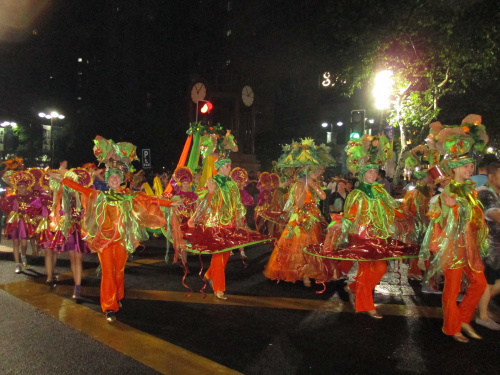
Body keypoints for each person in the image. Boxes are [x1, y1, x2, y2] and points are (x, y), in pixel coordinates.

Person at [50, 136, 180, 322]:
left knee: (119, 270)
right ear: (108, 179)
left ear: (122, 180)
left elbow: (149, 200)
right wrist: (62, 179)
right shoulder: (99, 196)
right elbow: (80, 189)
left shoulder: (128, 196)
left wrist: (169, 203)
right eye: (111, 177)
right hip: (104, 240)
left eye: (118, 177)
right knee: (108, 272)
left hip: (122, 240)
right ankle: (109, 306)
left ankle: (118, 296)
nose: (114, 179)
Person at [312, 135, 418, 319]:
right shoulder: (357, 194)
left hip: (378, 236)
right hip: (361, 237)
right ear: (362, 175)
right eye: (369, 172)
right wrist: (342, 226)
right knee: (368, 270)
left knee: (380, 269)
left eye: (375, 172)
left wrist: (404, 215)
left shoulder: (379, 191)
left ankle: (353, 288)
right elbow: (351, 215)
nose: (373, 175)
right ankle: (366, 304)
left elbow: (391, 207)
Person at [420, 116, 489, 343]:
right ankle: (452, 327)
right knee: (452, 288)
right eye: (467, 167)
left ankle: (462, 318)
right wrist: (454, 210)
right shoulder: (449, 191)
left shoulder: (469, 189)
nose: (471, 170)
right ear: (456, 168)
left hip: (469, 245)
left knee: (479, 284)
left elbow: (475, 217)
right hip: (453, 246)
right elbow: (444, 221)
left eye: (471, 166)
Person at [186, 158, 268, 300]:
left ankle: (208, 275)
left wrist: (239, 220)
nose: (230, 168)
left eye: (230, 165)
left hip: (230, 223)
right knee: (218, 255)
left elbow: (236, 202)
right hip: (216, 223)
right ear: (219, 168)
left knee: (226, 254)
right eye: (227, 166)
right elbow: (206, 202)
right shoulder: (213, 181)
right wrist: (211, 193)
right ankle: (218, 288)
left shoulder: (231, 183)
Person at [264, 139, 337, 287]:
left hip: (313, 218)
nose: (319, 171)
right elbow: (297, 204)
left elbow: (323, 197)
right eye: (316, 170)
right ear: (308, 171)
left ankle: (310, 273)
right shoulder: (298, 185)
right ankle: (303, 274)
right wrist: (304, 190)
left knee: (313, 245)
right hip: (300, 219)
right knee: (301, 245)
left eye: (320, 170)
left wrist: (313, 186)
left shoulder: (314, 183)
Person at [475, 161, 500, 330]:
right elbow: (493, 214)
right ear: (491, 176)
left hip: (497, 246)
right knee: (489, 280)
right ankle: (482, 315)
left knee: (492, 281)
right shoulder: (484, 193)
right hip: (488, 245)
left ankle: (478, 304)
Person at [0, 171, 38, 273]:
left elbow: (35, 208)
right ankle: (17, 264)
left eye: (23, 187)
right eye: (19, 187)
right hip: (15, 221)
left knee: (24, 243)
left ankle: (24, 255)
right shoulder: (13, 196)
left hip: (25, 221)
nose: (21, 189)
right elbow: (6, 207)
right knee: (15, 242)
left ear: (27, 188)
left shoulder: (30, 197)